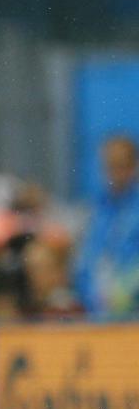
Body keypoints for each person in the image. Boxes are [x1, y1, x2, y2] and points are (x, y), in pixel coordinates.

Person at [74, 135, 139, 317]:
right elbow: (84, 261)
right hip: (96, 312)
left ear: (134, 166)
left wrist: (127, 288)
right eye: (110, 166)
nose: (115, 173)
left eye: (121, 165)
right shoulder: (95, 209)